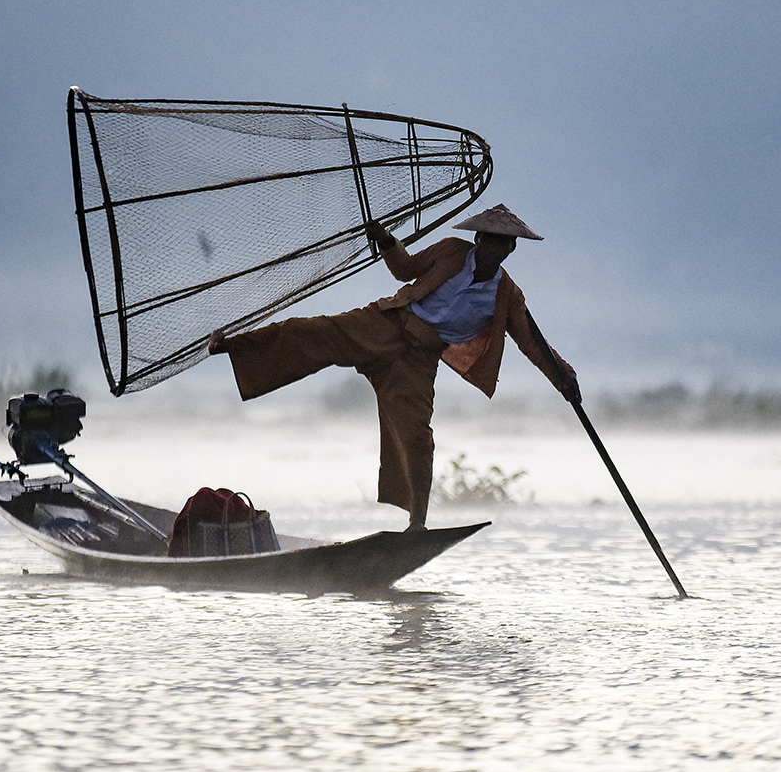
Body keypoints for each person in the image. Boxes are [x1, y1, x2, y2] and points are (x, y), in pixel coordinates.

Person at [208, 204, 579, 531]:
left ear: (511, 249)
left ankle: (416, 522)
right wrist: (387, 241)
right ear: (479, 239)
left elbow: (534, 343)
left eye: (503, 243)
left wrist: (564, 377)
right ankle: (233, 347)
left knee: (417, 436)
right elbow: (405, 269)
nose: (495, 248)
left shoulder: (507, 296)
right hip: (386, 323)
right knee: (312, 333)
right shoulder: (452, 251)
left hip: (417, 360)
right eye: (490, 240)